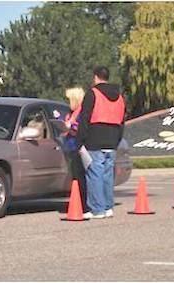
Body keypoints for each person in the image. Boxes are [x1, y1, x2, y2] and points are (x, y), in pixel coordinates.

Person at [77, 66, 125, 219]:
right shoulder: (120, 97)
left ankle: (97, 209)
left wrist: (79, 140)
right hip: (112, 140)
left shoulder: (92, 94)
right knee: (107, 175)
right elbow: (122, 121)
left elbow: (84, 119)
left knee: (94, 174)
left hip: (95, 139)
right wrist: (117, 140)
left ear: (96, 77)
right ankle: (108, 206)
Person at [64, 87, 88, 212]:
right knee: (75, 177)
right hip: (70, 145)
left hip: (78, 146)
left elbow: (81, 129)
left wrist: (71, 126)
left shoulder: (82, 113)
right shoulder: (70, 113)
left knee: (80, 177)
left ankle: (83, 205)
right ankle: (78, 203)